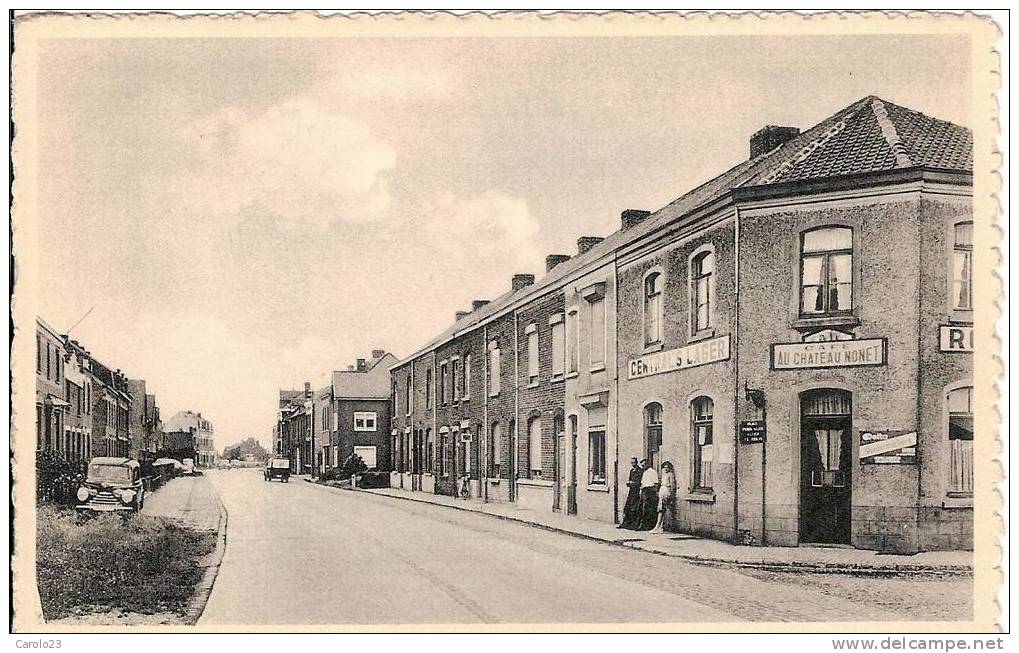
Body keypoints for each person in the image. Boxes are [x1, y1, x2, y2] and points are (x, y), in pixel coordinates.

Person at [649, 461, 677, 534]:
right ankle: (660, 527)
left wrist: (670, 494)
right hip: (662, 490)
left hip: (666, 491)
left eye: (667, 467)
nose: (666, 469)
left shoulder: (670, 475)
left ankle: (658, 526)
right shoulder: (664, 475)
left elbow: (672, 485)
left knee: (661, 510)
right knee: (661, 509)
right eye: (664, 467)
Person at [617, 457, 643, 529]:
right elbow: (630, 479)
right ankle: (626, 523)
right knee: (627, 507)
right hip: (631, 491)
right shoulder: (631, 471)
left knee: (634, 507)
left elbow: (640, 482)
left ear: (637, 463)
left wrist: (633, 483)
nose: (633, 464)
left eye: (634, 463)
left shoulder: (640, 471)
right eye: (632, 463)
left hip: (637, 491)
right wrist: (629, 483)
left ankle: (633, 524)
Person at [638, 458, 660, 530]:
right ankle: (642, 525)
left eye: (644, 465)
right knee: (642, 508)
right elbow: (642, 483)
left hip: (650, 491)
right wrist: (641, 491)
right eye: (642, 465)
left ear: (648, 464)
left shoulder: (653, 472)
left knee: (648, 509)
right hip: (644, 491)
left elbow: (656, 484)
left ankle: (648, 525)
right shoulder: (644, 472)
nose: (643, 467)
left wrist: (655, 492)